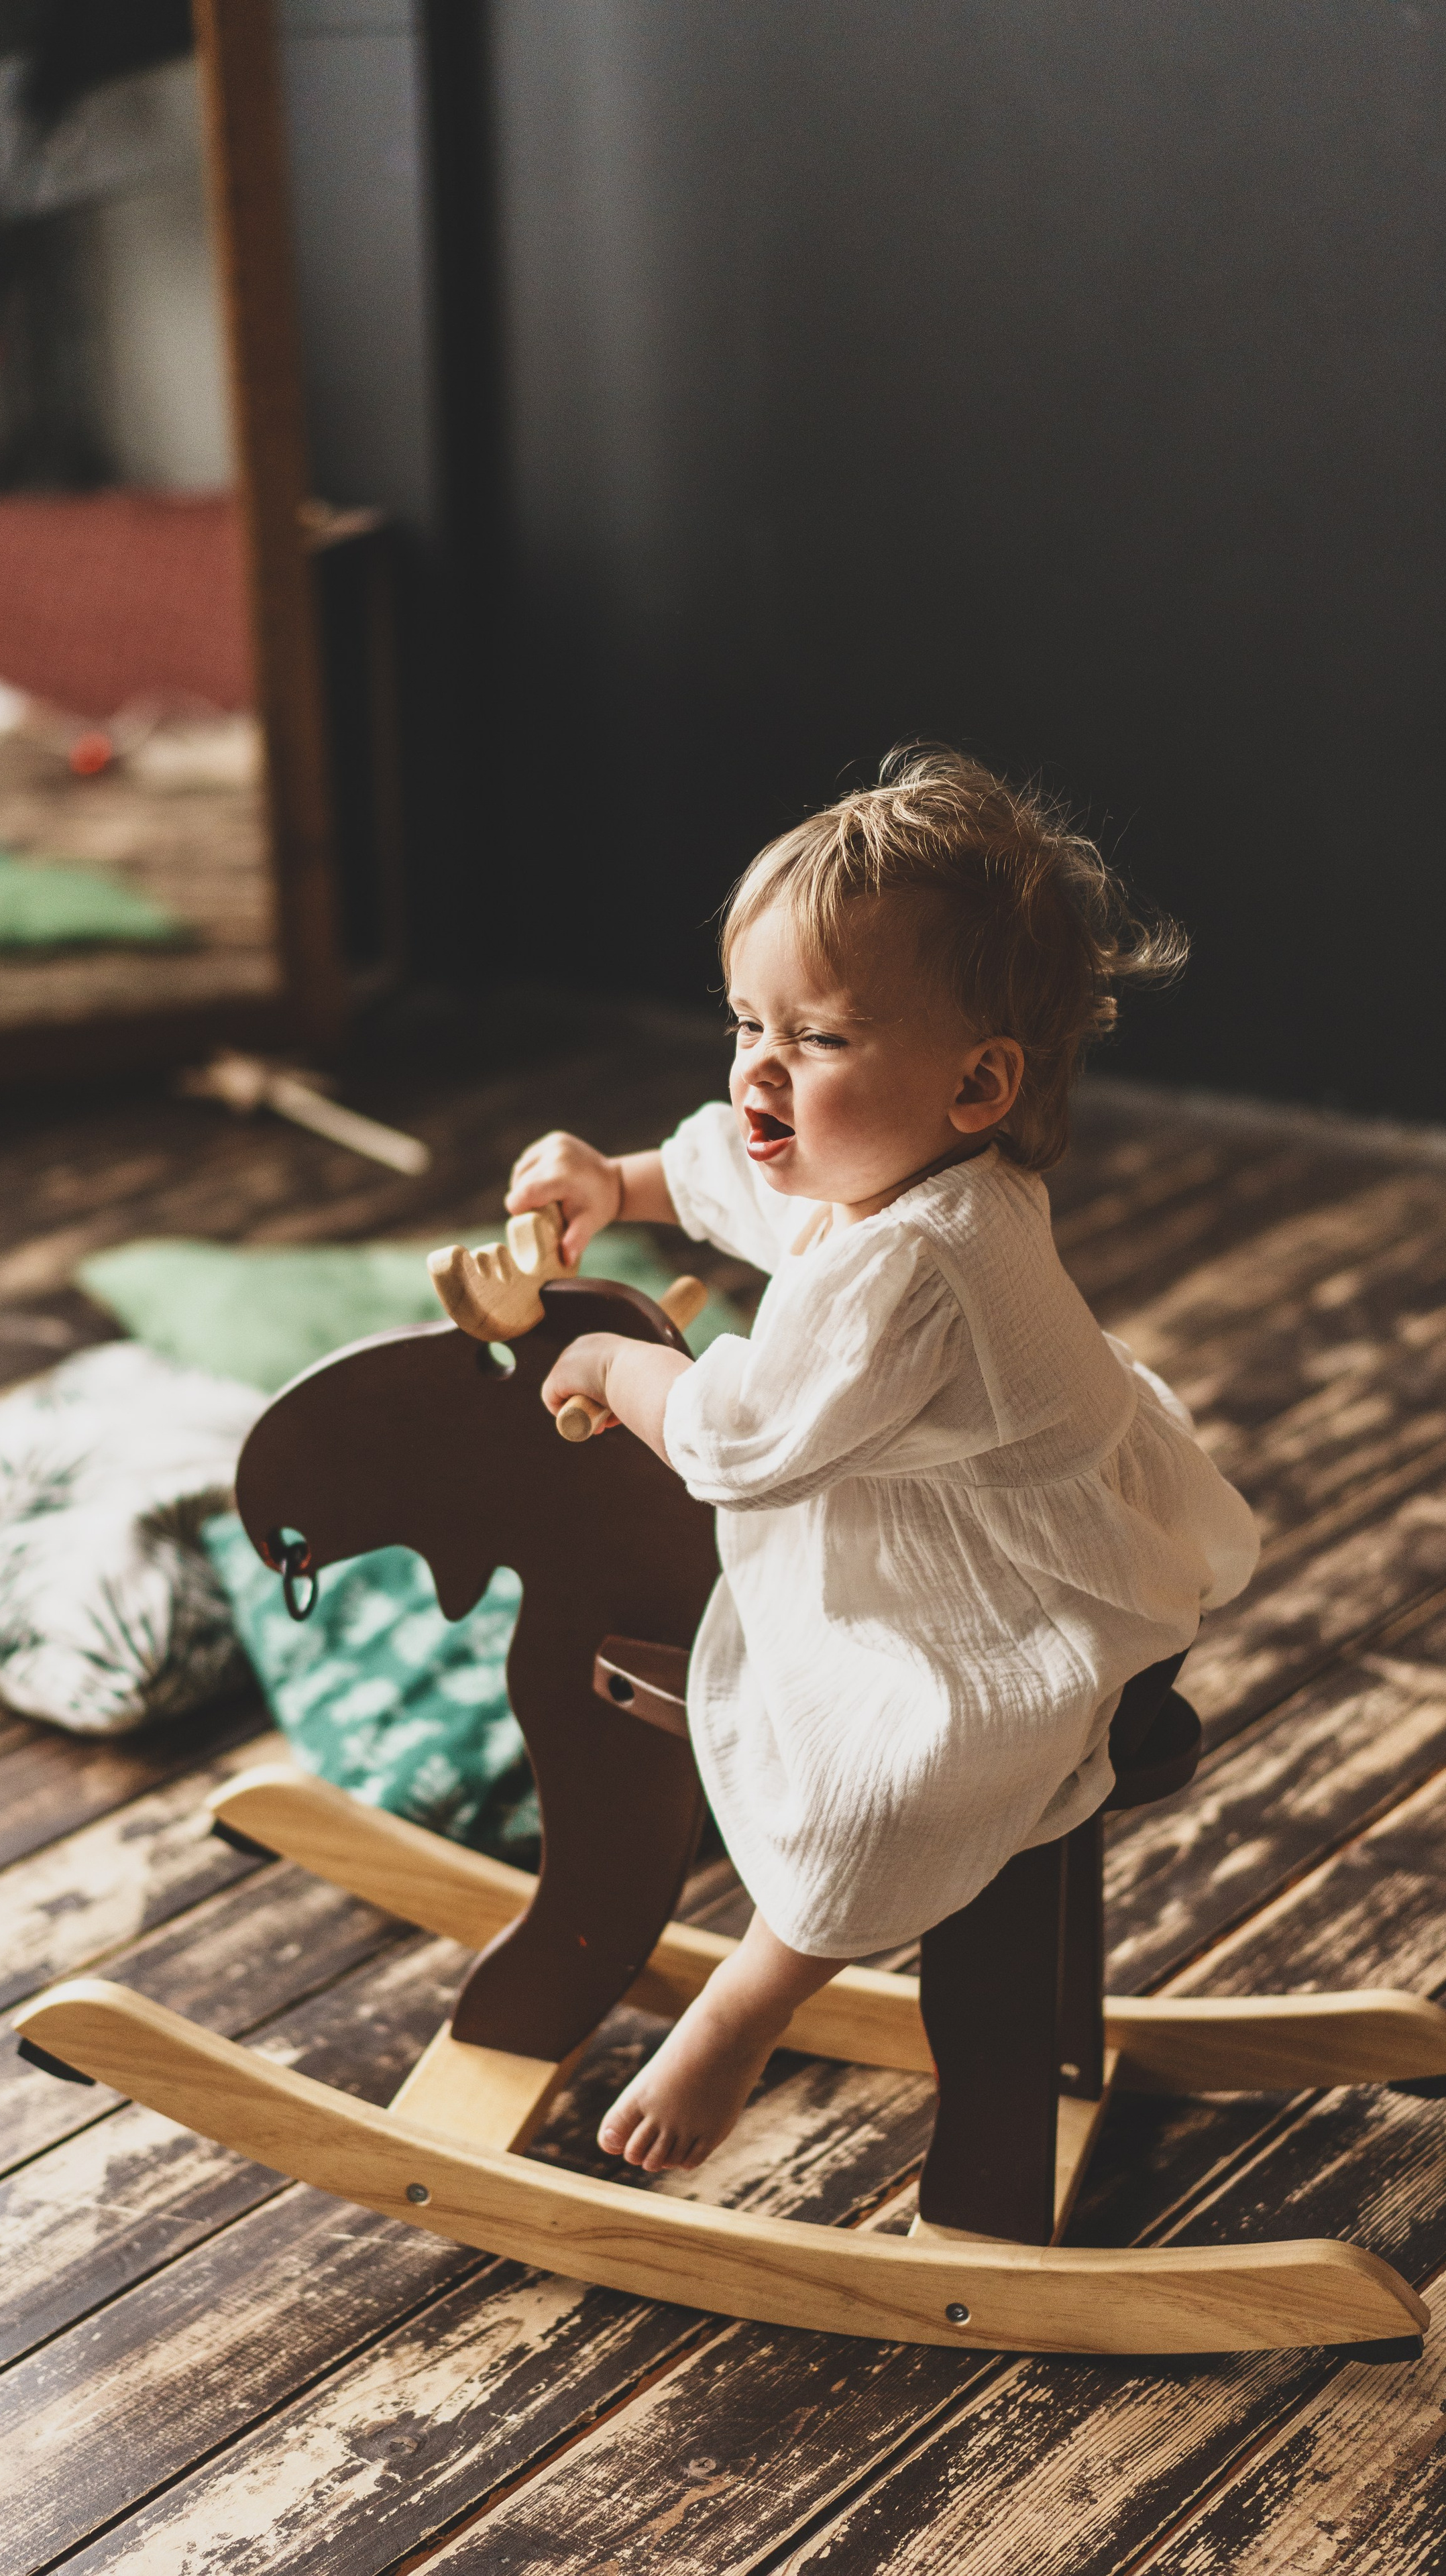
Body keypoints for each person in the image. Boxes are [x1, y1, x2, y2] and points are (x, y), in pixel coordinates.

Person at [506, 746, 1260, 2174]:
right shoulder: (889, 1158)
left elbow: (735, 1444)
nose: (757, 1073)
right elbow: (735, 1165)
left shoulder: (923, 1255)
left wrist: (618, 1365)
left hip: (1016, 1590)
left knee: (873, 1778)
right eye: (744, 1023)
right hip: (977, 1510)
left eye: (820, 1041)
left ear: (976, 1084)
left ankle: (748, 2000)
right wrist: (617, 1184)